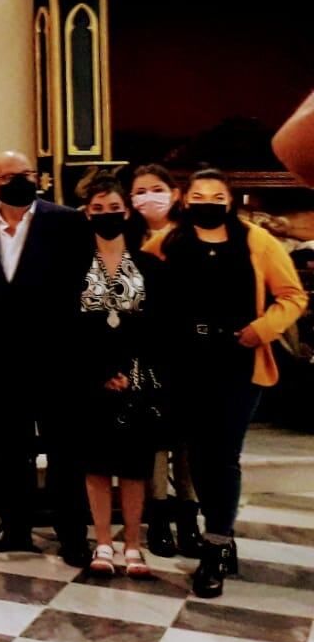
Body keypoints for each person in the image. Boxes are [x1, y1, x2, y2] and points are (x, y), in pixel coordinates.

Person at [155, 168, 306, 598]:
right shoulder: (167, 242)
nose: (207, 202)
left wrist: (261, 330)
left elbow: (293, 295)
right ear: (186, 200)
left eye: (216, 195)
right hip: (184, 364)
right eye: (199, 195)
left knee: (223, 454)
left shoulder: (257, 241)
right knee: (200, 456)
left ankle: (215, 546)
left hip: (238, 361)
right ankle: (222, 531)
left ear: (230, 199)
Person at [0, 151, 90, 565]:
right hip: (0, 354)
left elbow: (81, 283)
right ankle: (14, 525)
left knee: (64, 444)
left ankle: (71, 531)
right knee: (9, 444)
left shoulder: (67, 221)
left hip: (57, 352)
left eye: (27, 175)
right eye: (10, 176)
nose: (21, 181)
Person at [74, 173, 167, 578]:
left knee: (133, 466)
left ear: (127, 212)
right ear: (87, 213)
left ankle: (133, 543)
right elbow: (65, 325)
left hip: (137, 376)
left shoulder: (148, 264)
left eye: (114, 208)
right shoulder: (73, 264)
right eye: (99, 209)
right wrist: (99, 372)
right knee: (95, 465)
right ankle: (103, 542)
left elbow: (159, 324)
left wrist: (129, 371)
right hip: (89, 376)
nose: (107, 215)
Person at [129, 162, 194, 558]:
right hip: (145, 352)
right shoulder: (127, 241)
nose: (147, 197)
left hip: (188, 352)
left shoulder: (193, 237)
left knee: (186, 442)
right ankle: (159, 522)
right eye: (139, 191)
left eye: (156, 189)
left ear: (174, 193)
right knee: (151, 440)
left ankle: (188, 519)